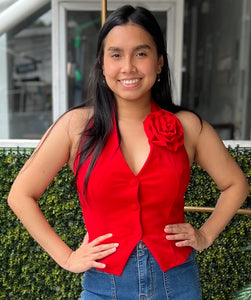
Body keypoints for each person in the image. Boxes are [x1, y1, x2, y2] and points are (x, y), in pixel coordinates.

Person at [8, 5, 248, 300]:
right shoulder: (75, 126)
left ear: (159, 62)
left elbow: (236, 184)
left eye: (141, 53)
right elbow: (20, 194)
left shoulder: (188, 126)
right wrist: (67, 257)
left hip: (178, 284)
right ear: (102, 63)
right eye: (116, 54)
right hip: (104, 287)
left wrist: (205, 234)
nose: (128, 67)